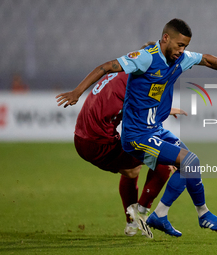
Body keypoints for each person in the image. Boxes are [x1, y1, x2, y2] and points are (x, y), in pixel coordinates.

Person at [56, 18, 217, 237]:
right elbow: (106, 67)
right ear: (165, 38)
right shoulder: (144, 59)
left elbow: (207, 60)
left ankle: (191, 214)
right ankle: (150, 213)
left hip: (153, 129)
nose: (183, 50)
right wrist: (77, 92)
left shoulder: (179, 59)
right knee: (178, 163)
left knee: (190, 165)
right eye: (179, 45)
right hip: (136, 135)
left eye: (185, 46)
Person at [57, 42, 186, 238]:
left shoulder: (122, 71)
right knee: (165, 162)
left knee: (131, 170)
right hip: (100, 142)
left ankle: (132, 223)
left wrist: (77, 92)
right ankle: (142, 213)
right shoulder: (137, 82)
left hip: (82, 139)